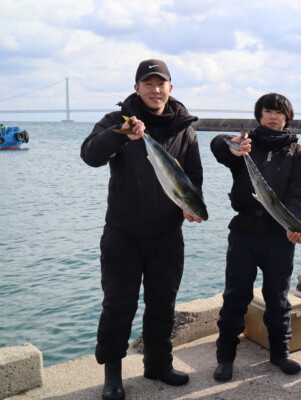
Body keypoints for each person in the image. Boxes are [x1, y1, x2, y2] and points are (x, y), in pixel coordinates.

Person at [81, 59, 204, 400]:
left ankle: (158, 364)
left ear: (170, 88)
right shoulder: (116, 122)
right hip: (123, 234)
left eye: (160, 83)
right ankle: (113, 375)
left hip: (166, 235)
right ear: (137, 88)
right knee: (118, 304)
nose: (154, 89)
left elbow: (193, 177)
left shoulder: (185, 129)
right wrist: (119, 135)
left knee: (163, 304)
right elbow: (89, 155)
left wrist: (190, 205)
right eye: (147, 84)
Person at [210, 93, 301, 381]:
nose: (273, 116)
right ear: (259, 115)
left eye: (279, 112)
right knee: (235, 296)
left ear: (287, 118)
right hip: (243, 232)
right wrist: (232, 147)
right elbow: (216, 143)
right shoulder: (245, 145)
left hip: (279, 235)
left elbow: (299, 197)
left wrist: (294, 226)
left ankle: (280, 354)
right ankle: (225, 357)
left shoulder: (299, 154)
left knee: (278, 297)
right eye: (268, 111)